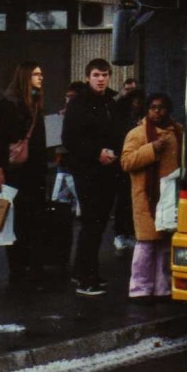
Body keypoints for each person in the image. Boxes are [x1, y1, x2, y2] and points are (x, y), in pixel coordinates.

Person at [62, 58, 127, 296]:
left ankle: (84, 271)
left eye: (105, 75)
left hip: (109, 170)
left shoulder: (110, 101)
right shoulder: (79, 103)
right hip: (88, 171)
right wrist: (96, 153)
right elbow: (69, 138)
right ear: (88, 77)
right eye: (97, 75)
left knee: (97, 224)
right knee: (92, 223)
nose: (101, 79)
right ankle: (85, 278)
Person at [120, 92, 182, 302]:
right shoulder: (137, 134)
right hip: (147, 196)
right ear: (147, 110)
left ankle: (163, 288)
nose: (157, 112)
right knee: (146, 243)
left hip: (170, 196)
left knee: (165, 243)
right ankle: (140, 290)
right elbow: (126, 162)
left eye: (161, 107)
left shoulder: (178, 132)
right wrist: (151, 149)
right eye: (153, 108)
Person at [0, 61, 48, 286]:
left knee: (34, 219)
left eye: (40, 74)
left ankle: (32, 267)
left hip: (35, 170)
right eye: (36, 74)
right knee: (18, 219)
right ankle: (18, 267)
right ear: (25, 77)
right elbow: (0, 138)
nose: (40, 77)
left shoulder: (35, 102)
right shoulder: (9, 104)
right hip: (17, 170)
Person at [111, 87, 146, 253]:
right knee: (124, 199)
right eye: (135, 102)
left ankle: (129, 233)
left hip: (138, 161)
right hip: (125, 162)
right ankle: (120, 233)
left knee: (133, 200)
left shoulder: (140, 117)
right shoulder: (123, 117)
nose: (137, 105)